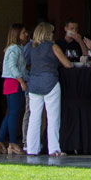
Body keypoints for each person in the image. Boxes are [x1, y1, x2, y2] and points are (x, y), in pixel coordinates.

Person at [23, 21, 73, 157]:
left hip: (34, 83)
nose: (52, 34)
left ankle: (32, 148)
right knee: (53, 117)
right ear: (47, 33)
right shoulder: (53, 46)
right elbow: (67, 64)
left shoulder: (31, 47)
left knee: (34, 117)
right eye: (51, 32)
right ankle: (54, 149)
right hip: (50, 82)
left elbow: (25, 63)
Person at [0, 24, 27, 156]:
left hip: (9, 82)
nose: (26, 35)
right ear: (17, 34)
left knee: (10, 113)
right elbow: (12, 65)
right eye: (24, 32)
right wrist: (21, 80)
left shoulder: (14, 48)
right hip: (14, 82)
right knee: (14, 113)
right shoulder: (15, 48)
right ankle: (13, 143)